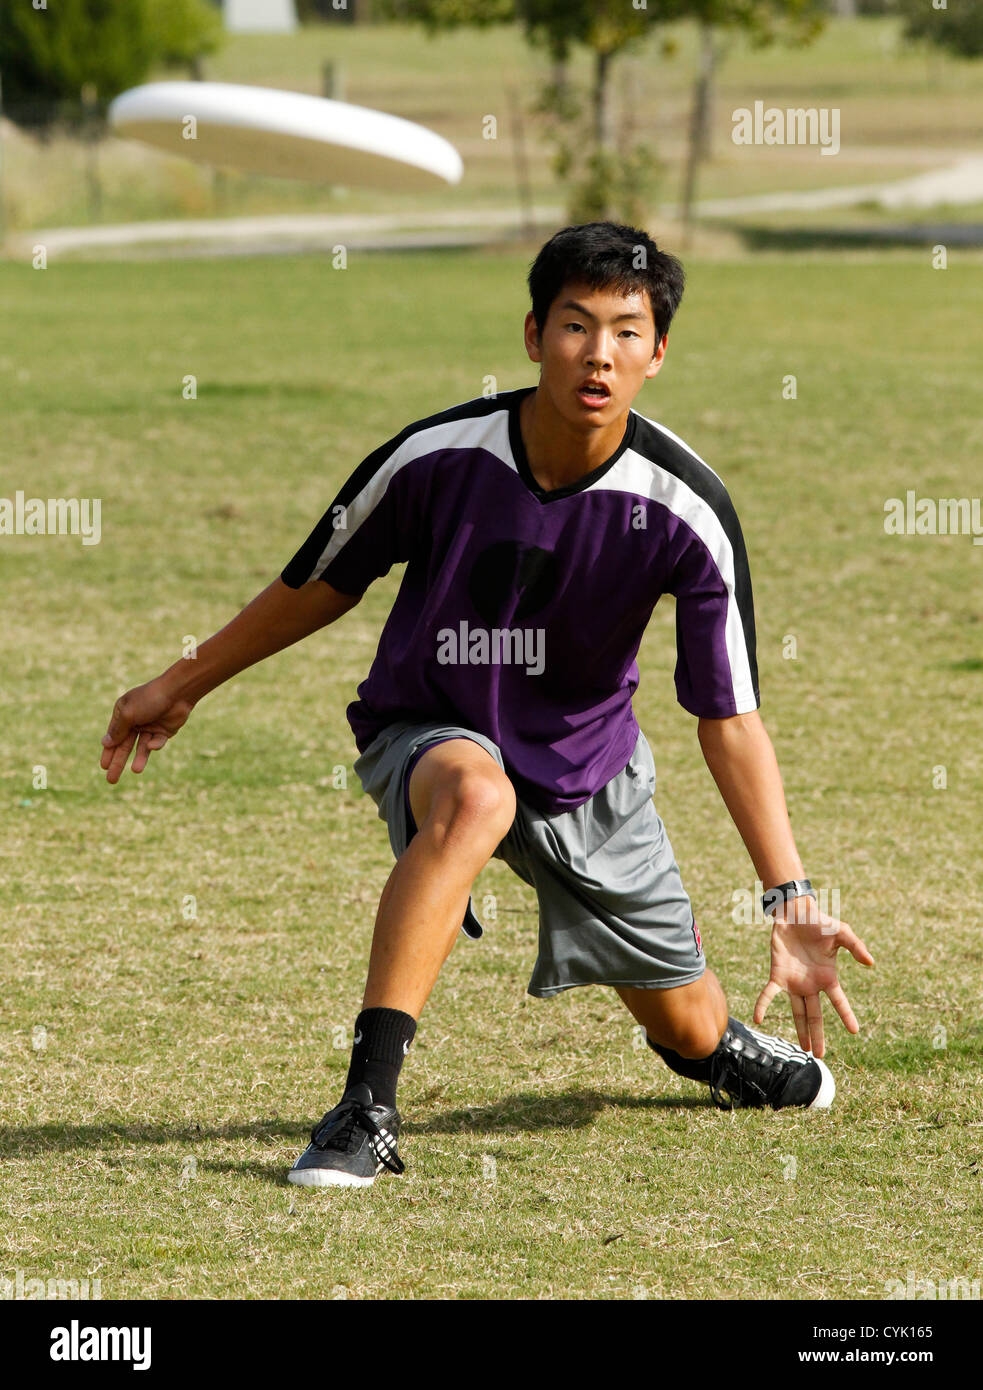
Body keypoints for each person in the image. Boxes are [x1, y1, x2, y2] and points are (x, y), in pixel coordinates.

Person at [100, 222, 874, 1189]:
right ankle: (364, 1110)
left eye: (626, 332)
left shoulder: (685, 508)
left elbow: (728, 716)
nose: (599, 354)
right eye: (575, 325)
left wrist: (788, 895)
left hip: (590, 770)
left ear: (658, 353)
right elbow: (317, 583)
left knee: (686, 1026)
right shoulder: (436, 456)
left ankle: (718, 1048)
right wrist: (177, 685)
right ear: (531, 333)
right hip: (432, 727)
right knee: (475, 797)